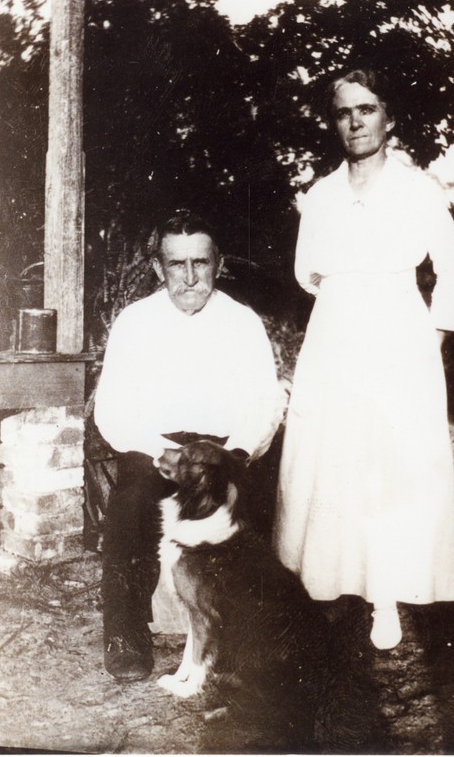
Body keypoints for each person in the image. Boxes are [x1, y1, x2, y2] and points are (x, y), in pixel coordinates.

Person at [273, 69, 454, 650]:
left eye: (367, 109)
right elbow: (306, 272)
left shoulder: (419, 190)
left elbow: (453, 273)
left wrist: (427, 342)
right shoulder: (322, 194)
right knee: (330, 456)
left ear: (389, 117)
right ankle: (328, 582)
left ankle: (386, 598)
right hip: (334, 332)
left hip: (399, 334)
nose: (354, 122)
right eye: (343, 112)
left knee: (390, 462)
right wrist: (342, 296)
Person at [94, 211, 283, 680]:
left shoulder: (242, 322)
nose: (191, 276)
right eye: (177, 264)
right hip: (156, 451)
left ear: (218, 264)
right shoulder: (134, 322)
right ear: (159, 268)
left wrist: (236, 453)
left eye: (201, 262)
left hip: (224, 452)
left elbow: (266, 401)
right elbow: (112, 410)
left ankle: (241, 634)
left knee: (249, 511)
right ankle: (126, 633)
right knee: (132, 501)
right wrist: (161, 453)